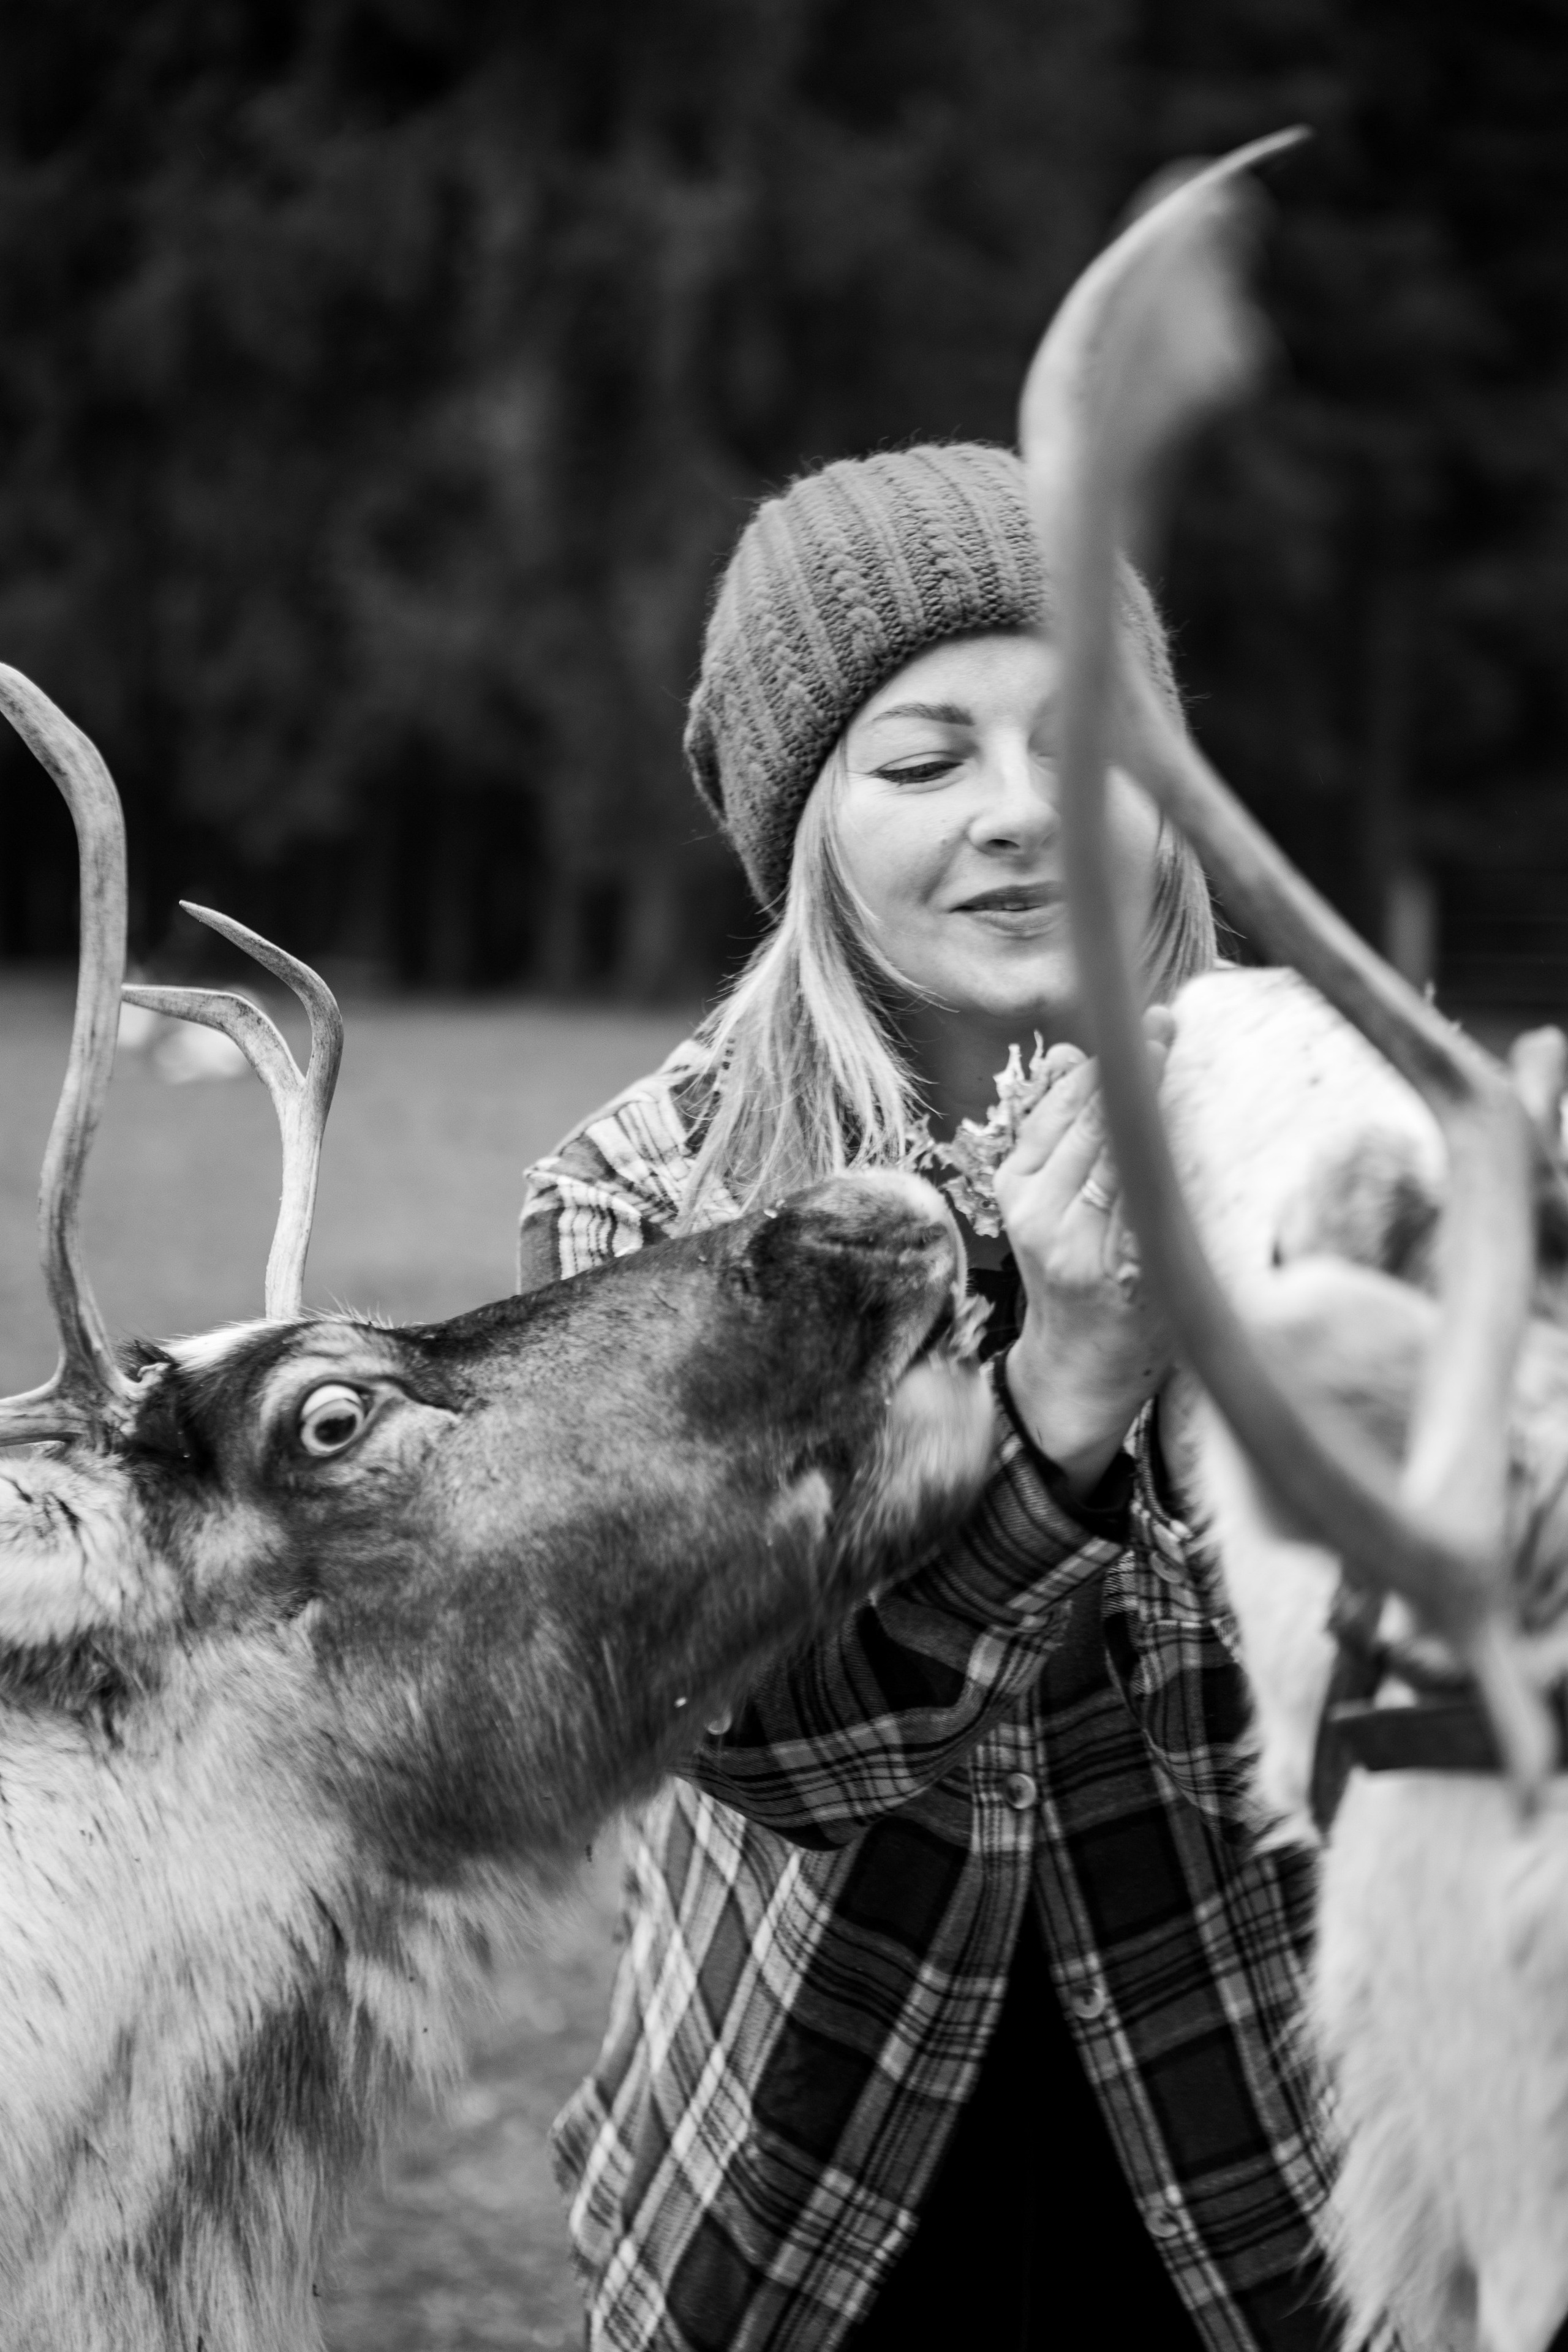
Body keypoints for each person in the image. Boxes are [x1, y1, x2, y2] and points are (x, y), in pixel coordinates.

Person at [520, 445, 1344, 2352]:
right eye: (922, 762)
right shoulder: (650, 1199)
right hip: (819, 2168)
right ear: (803, 826)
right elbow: (744, 1736)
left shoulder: (1312, 1115)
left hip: (1255, 2130)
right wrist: (1066, 1398)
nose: (1022, 818)